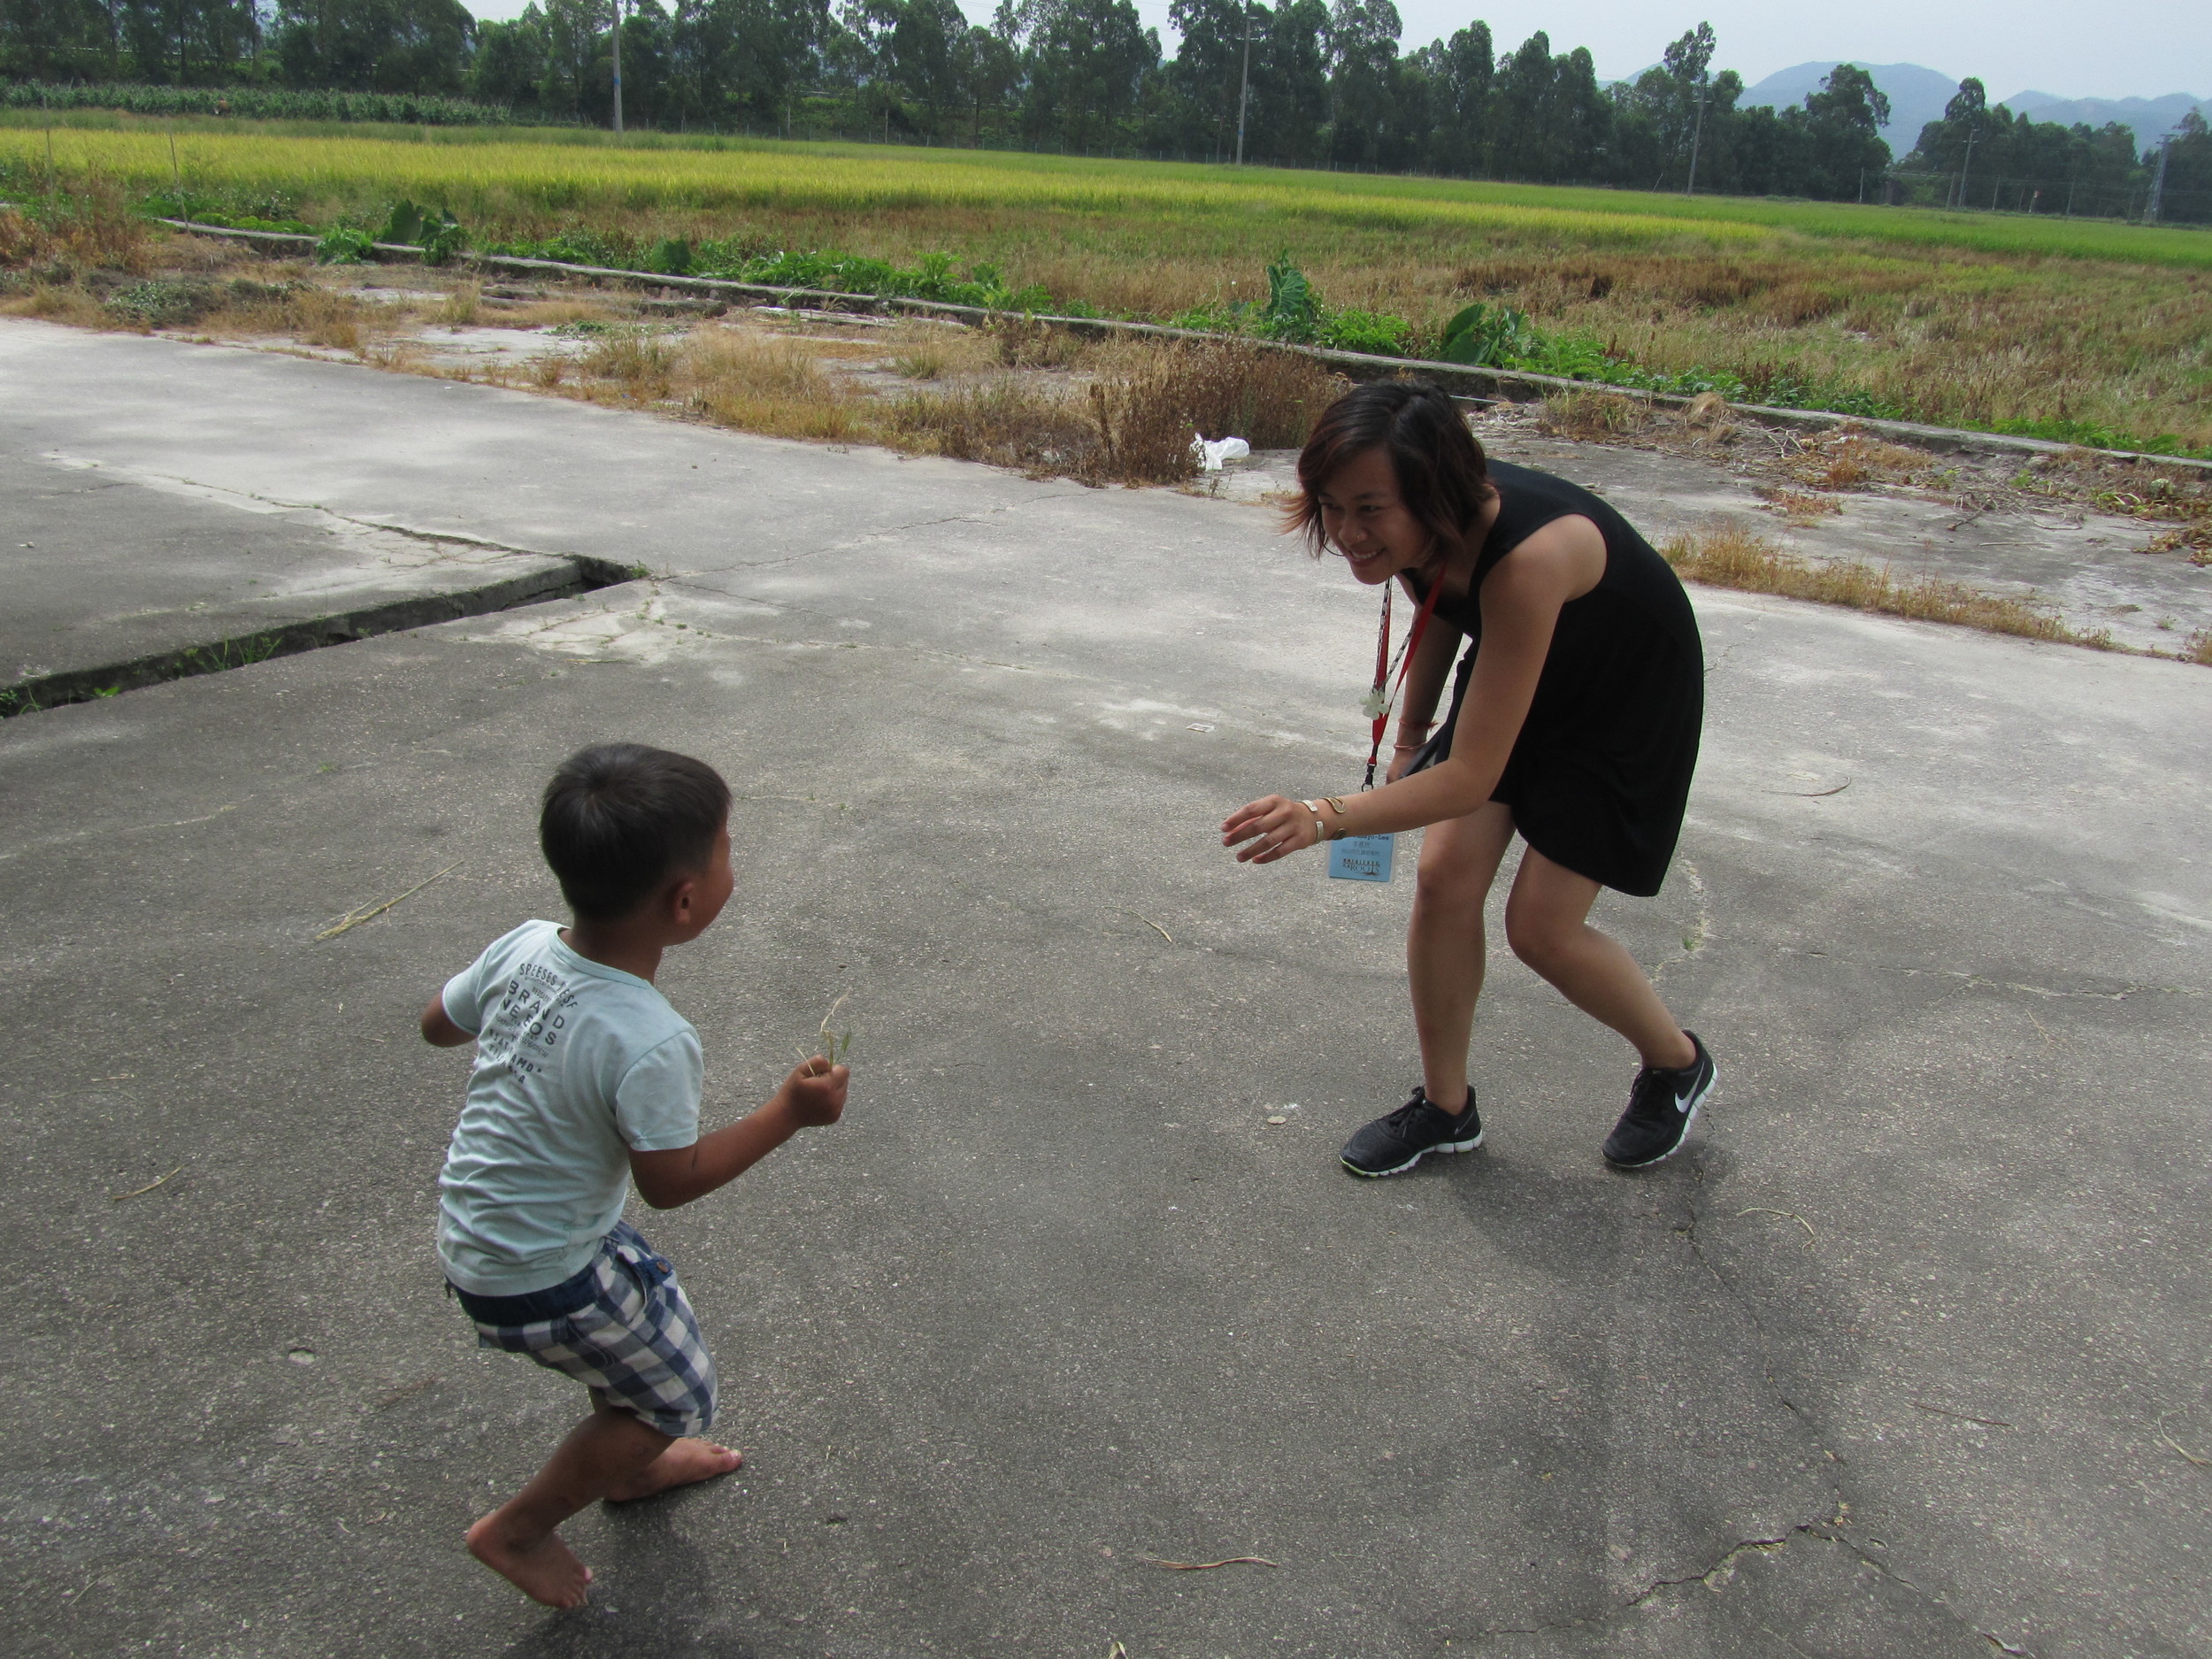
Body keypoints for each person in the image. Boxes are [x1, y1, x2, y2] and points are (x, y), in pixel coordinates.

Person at [1221, 381, 1715, 1178]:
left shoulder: (1528, 561)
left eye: (1370, 509)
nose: (1347, 532)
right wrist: (1412, 735)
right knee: (1445, 876)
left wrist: (1324, 814)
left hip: (1621, 701)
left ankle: (1677, 1062)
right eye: (1332, 505)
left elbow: (1469, 778)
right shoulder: (1424, 529)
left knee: (1542, 929)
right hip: (1525, 665)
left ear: (1430, 495)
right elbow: (1444, 602)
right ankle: (1447, 1109)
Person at [420, 742, 849, 1608]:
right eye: (727, 850)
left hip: (486, 1228)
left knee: (643, 1334)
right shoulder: (649, 1036)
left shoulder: (524, 945)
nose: (734, 865)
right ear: (685, 901)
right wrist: (788, 1116)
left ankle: (629, 1463)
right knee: (675, 1394)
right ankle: (524, 1526)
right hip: (542, 1272)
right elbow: (672, 1180)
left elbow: (438, 1024)